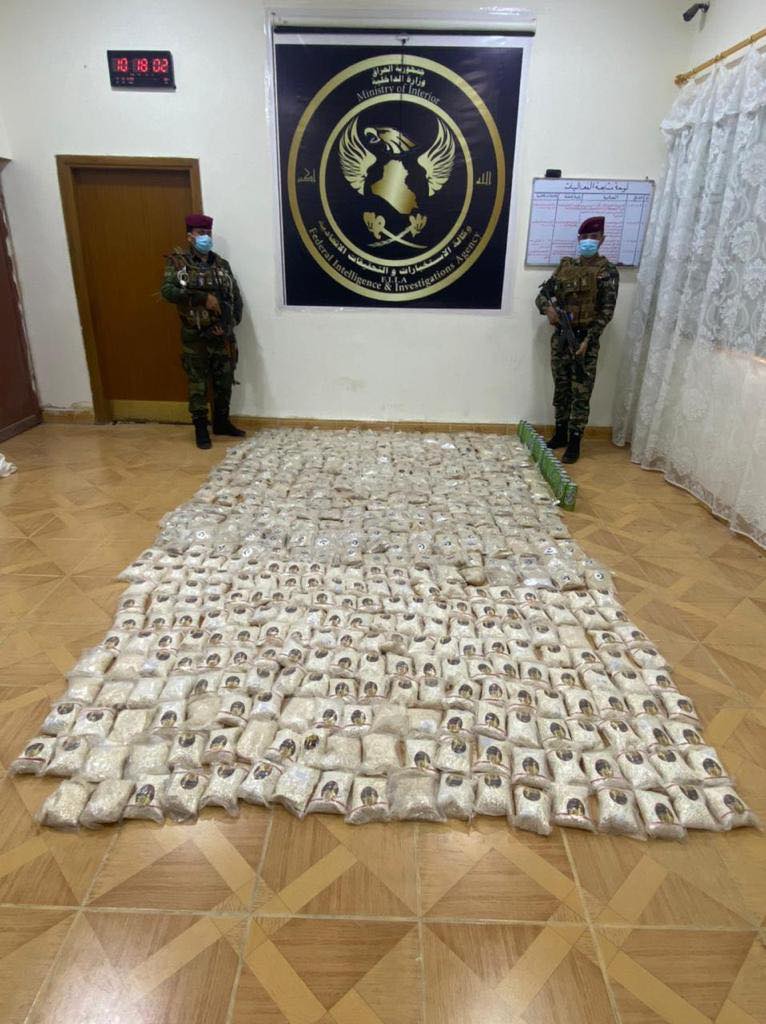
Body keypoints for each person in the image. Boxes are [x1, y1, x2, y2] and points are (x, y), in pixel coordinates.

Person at [535, 215, 619, 463]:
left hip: (585, 340)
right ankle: (560, 434)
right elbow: (542, 295)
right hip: (560, 338)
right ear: (579, 239)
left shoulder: (607, 272)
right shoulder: (565, 267)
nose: (589, 242)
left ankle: (574, 442)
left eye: (594, 238)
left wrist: (589, 339)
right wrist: (547, 310)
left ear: (602, 239)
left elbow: (606, 312)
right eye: (585, 238)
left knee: (580, 393)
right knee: (561, 388)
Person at [161, 213, 245, 449]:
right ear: (190, 237)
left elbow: (234, 298)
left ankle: (221, 422)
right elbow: (167, 291)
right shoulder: (179, 264)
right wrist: (200, 297)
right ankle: (200, 427)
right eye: (200, 234)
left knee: (224, 380)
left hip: (221, 335)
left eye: (208, 233)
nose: (205, 238)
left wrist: (229, 324)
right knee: (197, 383)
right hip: (195, 336)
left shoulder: (221, 265)